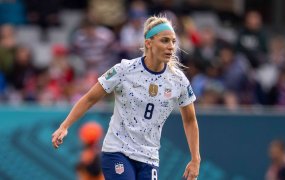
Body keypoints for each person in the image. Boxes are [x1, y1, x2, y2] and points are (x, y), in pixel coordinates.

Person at [52, 16, 201, 180]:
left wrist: (195, 159)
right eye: (165, 41)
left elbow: (190, 120)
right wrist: (64, 126)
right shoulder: (124, 69)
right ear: (148, 43)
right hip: (117, 151)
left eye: (173, 41)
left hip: (149, 157)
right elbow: (89, 98)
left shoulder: (178, 80)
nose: (171, 46)